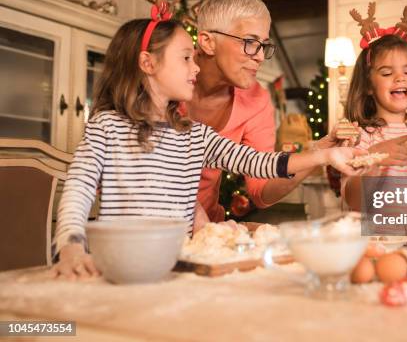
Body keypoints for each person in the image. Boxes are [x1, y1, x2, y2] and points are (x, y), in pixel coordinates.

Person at [51, 15, 365, 279]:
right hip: (120, 268)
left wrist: (324, 154)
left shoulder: (195, 135)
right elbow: (78, 188)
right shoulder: (107, 126)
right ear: (147, 62)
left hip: (176, 270)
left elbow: (257, 162)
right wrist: (71, 246)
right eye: (185, 58)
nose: (196, 67)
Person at [187, 0, 344, 227]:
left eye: (264, 45)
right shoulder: (163, 86)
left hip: (206, 229)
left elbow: (262, 186)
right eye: (250, 43)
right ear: (208, 42)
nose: (261, 56)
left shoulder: (257, 100)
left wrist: (317, 154)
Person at [341, 7, 407, 243]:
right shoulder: (360, 137)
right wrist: (372, 162)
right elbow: (352, 199)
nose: (400, 78)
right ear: (367, 85)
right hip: (369, 243)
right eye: (387, 73)